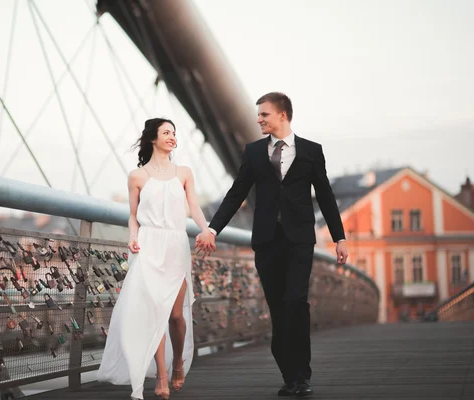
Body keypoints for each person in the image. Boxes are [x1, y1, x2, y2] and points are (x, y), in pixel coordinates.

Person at [196, 92, 348, 397]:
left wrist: (339, 237)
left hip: (299, 241)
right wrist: (212, 228)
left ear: (282, 115)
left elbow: (327, 196)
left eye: (264, 114)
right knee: (278, 309)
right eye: (257, 114)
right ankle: (289, 374)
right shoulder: (253, 152)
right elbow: (237, 192)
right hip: (267, 242)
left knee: (296, 302)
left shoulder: (310, 151)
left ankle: (302, 376)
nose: (258, 119)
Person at [97, 118, 213, 400]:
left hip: (175, 245)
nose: (172, 137)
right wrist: (132, 237)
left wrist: (207, 227)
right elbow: (133, 216)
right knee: (155, 315)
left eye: (174, 133)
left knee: (175, 316)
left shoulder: (184, 172)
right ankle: (161, 374)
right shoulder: (137, 176)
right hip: (148, 245)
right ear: (153, 138)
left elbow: (194, 207)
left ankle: (178, 363)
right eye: (166, 132)